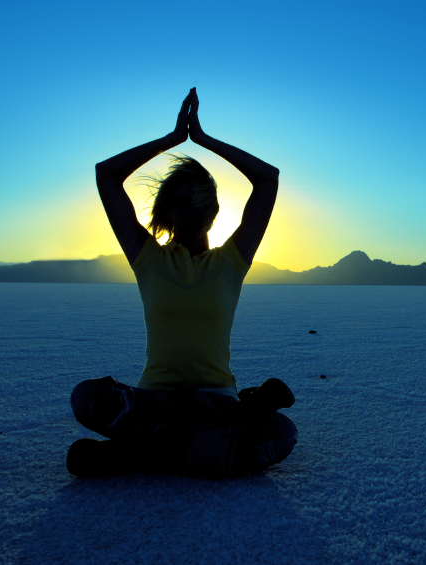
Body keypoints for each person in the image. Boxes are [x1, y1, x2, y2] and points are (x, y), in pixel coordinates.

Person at [67, 88, 297, 478]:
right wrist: (173, 139)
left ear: (214, 210)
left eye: (200, 202)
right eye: (181, 202)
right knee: (85, 397)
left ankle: (134, 454)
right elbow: (106, 175)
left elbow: (267, 179)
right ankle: (227, 426)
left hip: (217, 399)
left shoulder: (230, 262)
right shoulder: (149, 259)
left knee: (283, 434)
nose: (191, 211)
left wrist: (203, 139)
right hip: (156, 400)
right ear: (168, 211)